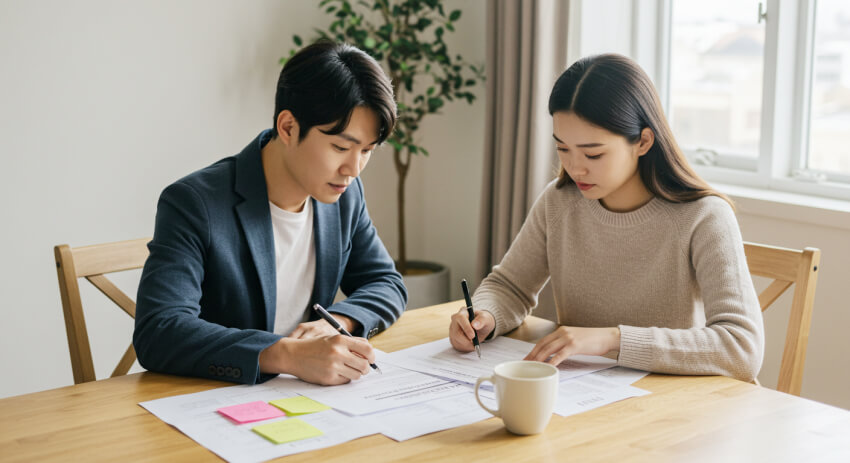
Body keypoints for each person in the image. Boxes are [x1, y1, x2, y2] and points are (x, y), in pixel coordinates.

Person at [450, 54, 764, 381]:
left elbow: (741, 347)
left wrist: (610, 339)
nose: (575, 167)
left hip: (677, 409)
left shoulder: (704, 216)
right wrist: (486, 314)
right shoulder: (559, 202)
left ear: (642, 141)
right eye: (562, 149)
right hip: (588, 396)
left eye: (593, 153)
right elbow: (510, 286)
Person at [133, 40, 407, 386]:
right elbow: (159, 331)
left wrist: (337, 320)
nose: (353, 169)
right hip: (212, 402)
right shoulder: (193, 203)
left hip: (306, 402)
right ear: (288, 127)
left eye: (367, 150)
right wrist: (286, 354)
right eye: (340, 147)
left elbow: (385, 283)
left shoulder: (346, 195)